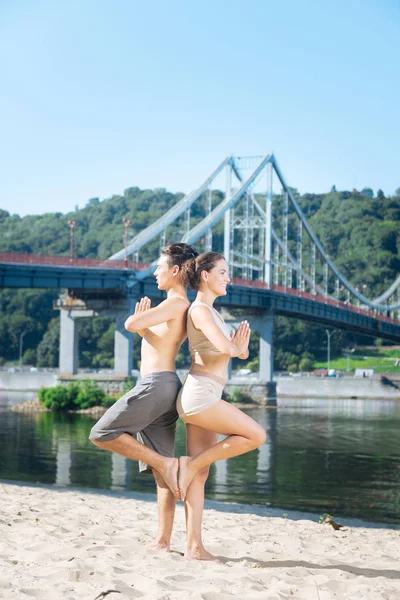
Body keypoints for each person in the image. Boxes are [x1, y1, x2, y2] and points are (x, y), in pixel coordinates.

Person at [89, 242, 198, 552]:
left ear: (175, 271)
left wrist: (142, 320)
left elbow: (130, 323)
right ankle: (162, 542)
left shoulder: (174, 302)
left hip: (155, 384)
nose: (154, 272)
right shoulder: (181, 307)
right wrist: (146, 326)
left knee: (101, 433)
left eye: (160, 267)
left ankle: (165, 461)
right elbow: (155, 336)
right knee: (162, 478)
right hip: (167, 386)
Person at [177, 251, 267, 560]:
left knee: (200, 476)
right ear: (205, 276)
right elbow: (227, 347)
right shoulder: (200, 310)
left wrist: (236, 348)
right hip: (201, 396)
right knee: (256, 436)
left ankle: (193, 547)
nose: (229, 278)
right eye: (223, 272)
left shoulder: (211, 311)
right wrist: (239, 350)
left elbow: (227, 347)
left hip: (203, 395)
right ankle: (189, 465)